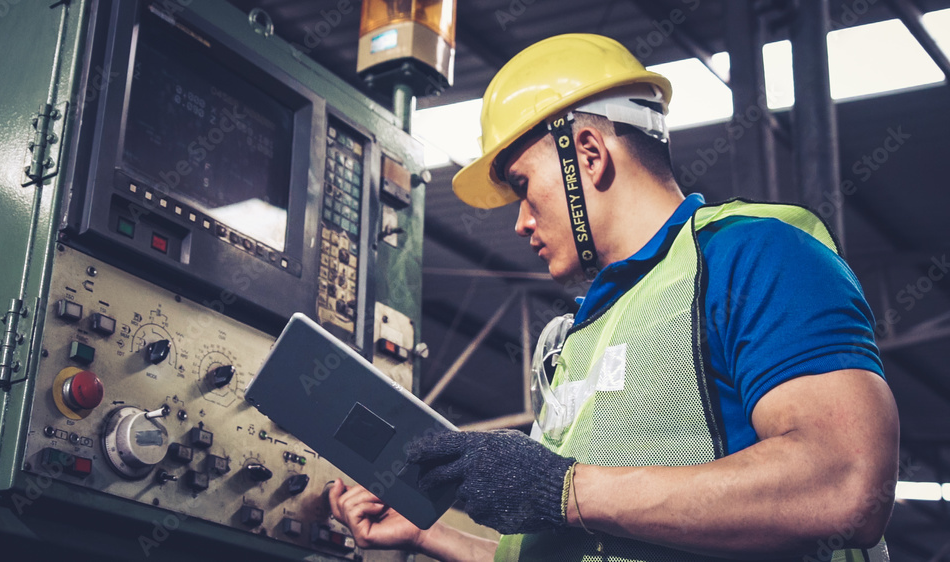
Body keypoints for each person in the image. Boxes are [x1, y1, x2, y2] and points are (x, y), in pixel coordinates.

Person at [329, 34, 899, 561]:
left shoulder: (752, 251)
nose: (522, 223)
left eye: (523, 187)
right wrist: (429, 533)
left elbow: (846, 480)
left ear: (589, 154)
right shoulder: (580, 337)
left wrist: (563, 488)